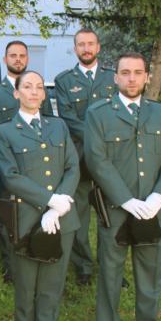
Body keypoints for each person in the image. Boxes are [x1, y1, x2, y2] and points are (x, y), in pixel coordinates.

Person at [84, 53, 161, 321]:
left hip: (153, 210)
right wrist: (126, 199)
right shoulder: (98, 114)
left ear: (147, 76)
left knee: (151, 279)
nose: (131, 78)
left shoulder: (160, 113)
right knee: (110, 278)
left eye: (138, 73)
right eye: (125, 73)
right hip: (116, 210)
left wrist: (158, 196)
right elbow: (97, 160)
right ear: (115, 78)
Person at [0, 70, 80, 321]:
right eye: (26, 87)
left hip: (61, 222)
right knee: (26, 290)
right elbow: (10, 176)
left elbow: (72, 168)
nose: (33, 91)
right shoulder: (4, 132)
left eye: (38, 87)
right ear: (16, 93)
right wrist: (47, 201)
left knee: (51, 290)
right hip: (26, 221)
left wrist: (57, 208)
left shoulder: (59, 126)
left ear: (45, 94)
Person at [0, 41, 54, 284]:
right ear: (5, 58)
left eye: (22, 55)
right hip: (4, 164)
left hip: (35, 163)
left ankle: (38, 254)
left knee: (37, 210)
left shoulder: (39, 89)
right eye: (13, 55)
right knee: (6, 217)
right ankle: (11, 268)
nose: (18, 59)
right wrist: (9, 148)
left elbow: (49, 123)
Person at [54, 28, 116, 286]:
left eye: (90, 44)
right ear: (75, 48)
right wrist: (97, 136)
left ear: (98, 47)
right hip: (78, 157)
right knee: (77, 214)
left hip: (111, 157)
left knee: (111, 215)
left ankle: (112, 267)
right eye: (81, 44)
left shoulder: (114, 77)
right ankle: (83, 267)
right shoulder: (65, 80)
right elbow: (68, 118)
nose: (86, 48)